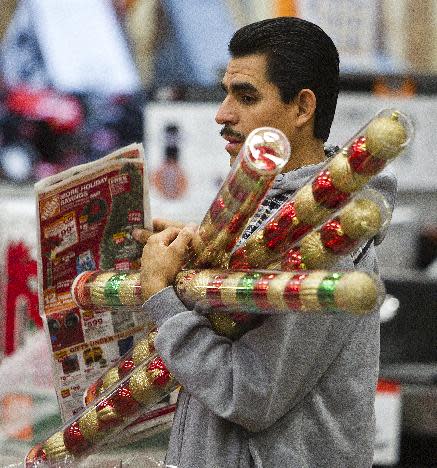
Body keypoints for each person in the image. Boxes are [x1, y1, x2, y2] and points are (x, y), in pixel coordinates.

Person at [133, 17, 396, 467]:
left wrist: (162, 296)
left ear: (302, 108)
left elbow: (248, 393)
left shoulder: (325, 235)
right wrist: (196, 263)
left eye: (246, 96)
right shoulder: (260, 212)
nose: (222, 114)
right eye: (226, 92)